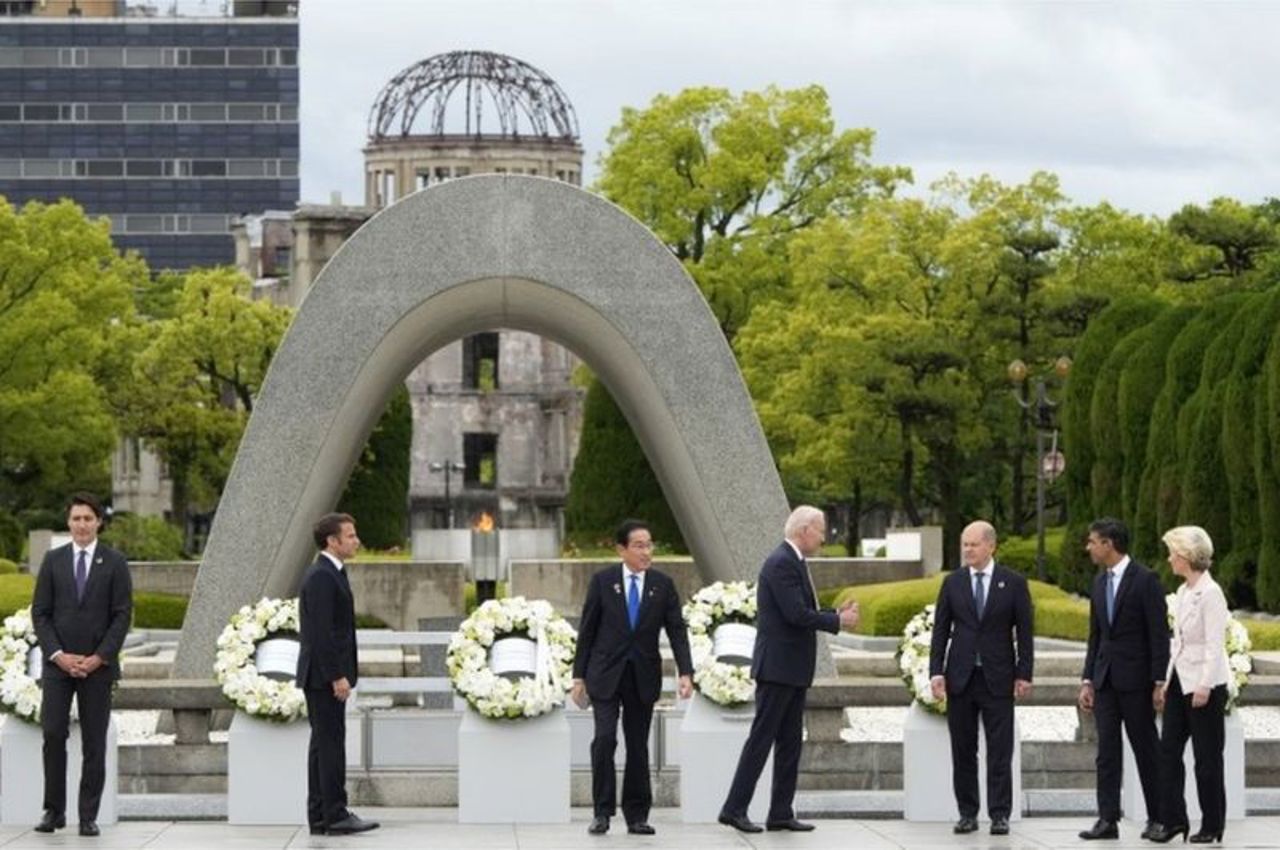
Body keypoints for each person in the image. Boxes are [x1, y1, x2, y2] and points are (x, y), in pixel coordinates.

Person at [718, 506, 859, 834]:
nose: (824, 538)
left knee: (790, 742)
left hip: (792, 669)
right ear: (805, 530)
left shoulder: (793, 561)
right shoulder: (781, 562)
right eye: (821, 531)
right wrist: (838, 621)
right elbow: (796, 615)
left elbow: (802, 610)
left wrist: (836, 613)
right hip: (778, 669)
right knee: (762, 739)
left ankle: (780, 811)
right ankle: (734, 808)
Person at [572, 519, 694, 836]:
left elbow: (677, 631)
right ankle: (601, 812)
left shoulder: (662, 585)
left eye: (649, 544)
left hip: (642, 675)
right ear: (621, 549)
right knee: (604, 740)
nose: (646, 551)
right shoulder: (603, 582)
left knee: (638, 745)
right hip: (605, 674)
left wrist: (686, 672)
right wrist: (578, 676)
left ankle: (637, 815)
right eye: (639, 545)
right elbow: (587, 630)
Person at [31, 492, 132, 837]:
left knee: (94, 742)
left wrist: (98, 658)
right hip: (58, 668)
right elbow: (40, 613)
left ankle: (87, 815)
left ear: (99, 522)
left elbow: (122, 616)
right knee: (53, 733)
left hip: (98, 669)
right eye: (76, 519)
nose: (82, 525)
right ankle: (53, 811)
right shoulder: (53, 560)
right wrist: (58, 655)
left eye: (88, 518)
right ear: (68, 522)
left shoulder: (115, 562)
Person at [928, 520, 1033, 837]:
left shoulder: (1012, 583)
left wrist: (1024, 673)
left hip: (998, 678)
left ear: (991, 546)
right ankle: (967, 813)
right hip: (960, 677)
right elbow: (941, 630)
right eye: (964, 544)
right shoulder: (953, 582)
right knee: (963, 749)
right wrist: (936, 671)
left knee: (1000, 750)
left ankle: (1000, 813)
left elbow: (1025, 633)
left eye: (973, 544)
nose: (968, 550)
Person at [1077, 517, 1169, 841]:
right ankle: (1107, 820)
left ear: (1109, 544)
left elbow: (1159, 635)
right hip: (1105, 680)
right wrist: (1087, 679)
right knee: (1107, 753)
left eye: (1092, 541)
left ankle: (1160, 817)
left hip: (1137, 681)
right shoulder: (1099, 582)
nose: (1088, 547)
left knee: (1146, 749)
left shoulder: (1145, 580)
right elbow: (1096, 635)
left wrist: (1159, 680)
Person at [296, 513, 378, 836]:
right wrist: (336, 676)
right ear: (333, 541)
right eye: (351, 536)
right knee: (330, 745)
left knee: (322, 745)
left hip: (321, 675)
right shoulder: (322, 577)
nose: (356, 541)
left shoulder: (331, 573)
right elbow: (321, 633)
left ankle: (321, 815)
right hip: (323, 677)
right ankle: (335, 814)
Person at [1148, 526, 1230, 845]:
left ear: (1185, 556)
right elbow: (1178, 643)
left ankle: (1213, 824)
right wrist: (1166, 681)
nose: (1169, 559)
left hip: (1204, 685)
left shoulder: (1211, 594)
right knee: (1167, 753)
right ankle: (1174, 820)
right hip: (1180, 681)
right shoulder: (1183, 592)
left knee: (1207, 760)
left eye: (1172, 553)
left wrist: (1205, 686)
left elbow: (1214, 644)